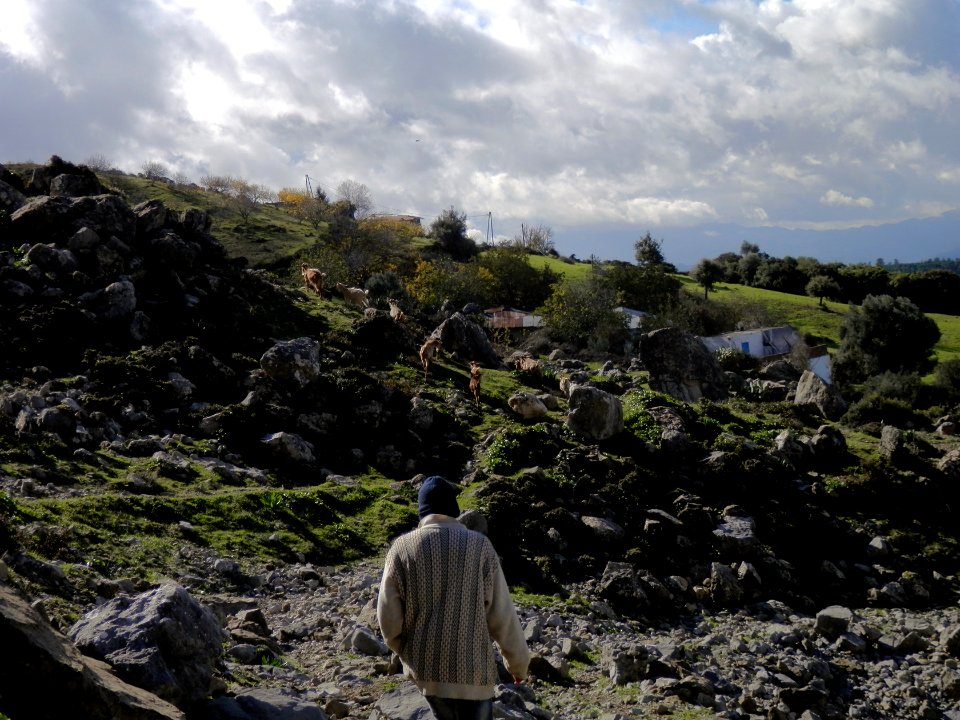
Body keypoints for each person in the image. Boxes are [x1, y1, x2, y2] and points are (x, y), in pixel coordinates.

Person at [377, 475, 530, 720]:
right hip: (473, 674)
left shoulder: (401, 549)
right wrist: (517, 664)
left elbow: (388, 617)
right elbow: (502, 615)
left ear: (421, 510)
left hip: (426, 671)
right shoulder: (480, 547)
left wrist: (406, 651)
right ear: (454, 510)